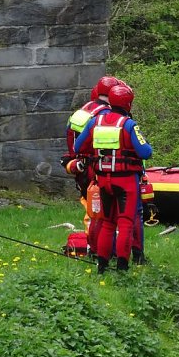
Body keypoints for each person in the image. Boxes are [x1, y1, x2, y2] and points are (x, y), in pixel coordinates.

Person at [74, 85, 153, 274]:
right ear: (128, 104)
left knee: (107, 223)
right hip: (126, 182)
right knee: (125, 223)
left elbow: (78, 147)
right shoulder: (128, 125)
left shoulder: (94, 122)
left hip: (103, 180)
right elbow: (146, 152)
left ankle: (102, 267)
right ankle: (122, 268)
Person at [62, 76, 119, 254]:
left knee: (91, 211)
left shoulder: (83, 111)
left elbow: (72, 140)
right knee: (102, 214)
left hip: (80, 168)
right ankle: (103, 250)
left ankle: (94, 246)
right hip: (95, 169)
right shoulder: (104, 115)